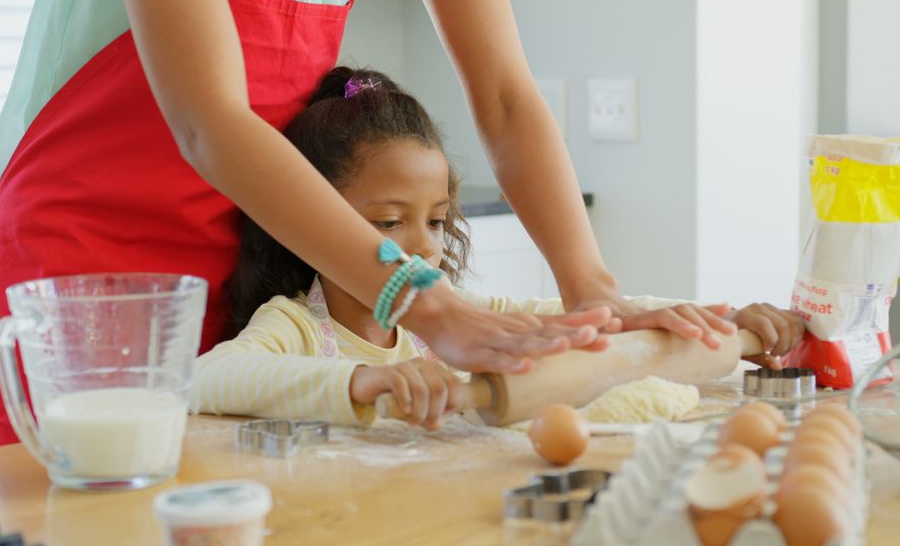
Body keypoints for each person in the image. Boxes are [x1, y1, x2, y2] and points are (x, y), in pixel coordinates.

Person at [0, 0, 736, 445]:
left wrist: (588, 283)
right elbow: (207, 121)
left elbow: (502, 93)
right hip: (91, 278)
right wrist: (419, 296)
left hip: (256, 263)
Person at [189, 67, 806, 430]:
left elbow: (561, 320)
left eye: (434, 221)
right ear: (308, 219)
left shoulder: (449, 316)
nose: (420, 249)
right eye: (387, 223)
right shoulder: (295, 325)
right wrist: (362, 381)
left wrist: (718, 320)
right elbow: (208, 377)